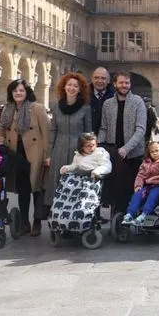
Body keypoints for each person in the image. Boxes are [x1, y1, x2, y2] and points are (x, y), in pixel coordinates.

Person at [0, 79, 50, 236]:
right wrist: (0, 143)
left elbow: (47, 133)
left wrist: (47, 155)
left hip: (35, 153)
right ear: (11, 93)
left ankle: (37, 222)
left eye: (21, 90)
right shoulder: (7, 109)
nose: (18, 93)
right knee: (23, 190)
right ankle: (25, 222)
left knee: (37, 189)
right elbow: (1, 130)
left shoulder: (38, 108)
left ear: (27, 92)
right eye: (15, 91)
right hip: (15, 154)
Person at [98, 71, 148, 215]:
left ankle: (132, 218)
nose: (124, 85)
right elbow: (104, 128)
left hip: (133, 155)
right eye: (121, 82)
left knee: (132, 189)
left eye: (127, 82)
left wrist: (126, 148)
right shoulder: (108, 104)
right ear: (114, 84)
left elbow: (140, 130)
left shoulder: (138, 102)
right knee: (116, 190)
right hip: (114, 154)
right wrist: (99, 145)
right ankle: (117, 220)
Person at [48, 73, 92, 212]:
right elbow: (53, 131)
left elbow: (88, 133)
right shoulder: (56, 107)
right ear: (64, 87)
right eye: (69, 85)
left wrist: (88, 154)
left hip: (78, 152)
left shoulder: (85, 108)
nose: (72, 88)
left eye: (75, 86)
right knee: (58, 184)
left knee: (76, 185)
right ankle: (56, 217)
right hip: (59, 151)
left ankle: (74, 217)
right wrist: (49, 154)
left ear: (80, 89)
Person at [123, 141, 159, 226]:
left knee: (154, 194)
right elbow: (140, 176)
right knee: (138, 193)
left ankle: (144, 214)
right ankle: (130, 214)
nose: (155, 153)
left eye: (157, 151)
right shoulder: (146, 163)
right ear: (149, 153)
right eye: (152, 152)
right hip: (149, 185)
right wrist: (138, 186)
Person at [89, 67, 115, 134]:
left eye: (103, 78)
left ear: (108, 81)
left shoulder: (115, 96)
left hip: (109, 139)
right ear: (92, 79)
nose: (99, 81)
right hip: (88, 139)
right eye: (96, 78)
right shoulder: (83, 95)